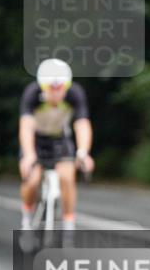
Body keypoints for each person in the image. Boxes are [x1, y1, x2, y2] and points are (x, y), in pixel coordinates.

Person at [18, 58, 95, 232]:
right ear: (42, 86)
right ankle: (26, 217)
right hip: (35, 140)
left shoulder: (74, 93)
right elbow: (26, 127)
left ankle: (68, 224)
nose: (56, 93)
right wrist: (29, 155)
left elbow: (82, 124)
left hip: (60, 139)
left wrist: (83, 152)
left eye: (60, 88)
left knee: (67, 178)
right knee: (32, 179)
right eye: (50, 89)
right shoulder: (32, 93)